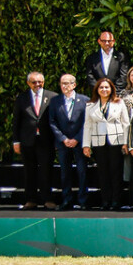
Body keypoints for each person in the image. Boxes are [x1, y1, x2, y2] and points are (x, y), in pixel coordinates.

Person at [84, 77, 129, 210]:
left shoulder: (119, 102)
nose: (104, 90)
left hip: (116, 141)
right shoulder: (90, 105)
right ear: (97, 89)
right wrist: (86, 145)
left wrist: (126, 142)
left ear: (111, 89)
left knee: (116, 172)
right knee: (103, 172)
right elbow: (87, 125)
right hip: (98, 142)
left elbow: (126, 123)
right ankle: (105, 200)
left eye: (107, 87)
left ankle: (116, 201)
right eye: (101, 87)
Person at [14, 71, 58, 210]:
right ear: (28, 83)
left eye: (40, 82)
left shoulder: (53, 97)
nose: (37, 84)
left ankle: (47, 199)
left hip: (47, 140)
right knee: (29, 171)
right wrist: (16, 141)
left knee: (46, 170)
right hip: (28, 140)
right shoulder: (22, 98)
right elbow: (16, 121)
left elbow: (57, 120)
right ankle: (31, 199)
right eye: (34, 82)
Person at [46, 74, 88, 210]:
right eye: (63, 83)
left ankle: (83, 201)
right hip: (63, 144)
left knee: (82, 172)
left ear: (74, 85)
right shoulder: (55, 101)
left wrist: (77, 138)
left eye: (68, 83)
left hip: (79, 142)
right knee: (65, 173)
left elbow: (87, 122)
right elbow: (52, 122)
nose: (65, 86)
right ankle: (67, 200)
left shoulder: (85, 100)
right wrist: (63, 139)